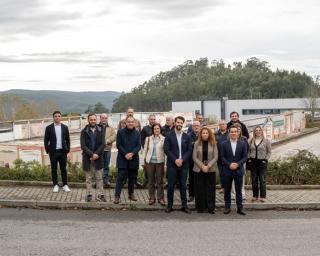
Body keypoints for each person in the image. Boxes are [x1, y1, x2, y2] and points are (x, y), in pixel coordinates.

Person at [164, 116, 192, 214]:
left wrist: (182, 160)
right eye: (178, 122)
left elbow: (189, 150)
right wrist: (175, 159)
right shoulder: (169, 135)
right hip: (172, 165)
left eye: (181, 123)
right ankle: (169, 206)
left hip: (183, 165)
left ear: (182, 124)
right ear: (175, 123)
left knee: (183, 186)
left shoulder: (187, 136)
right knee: (171, 186)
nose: (179, 124)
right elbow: (166, 149)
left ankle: (184, 206)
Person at [220, 125, 247, 215]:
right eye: (232, 131)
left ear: (238, 132)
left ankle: (240, 208)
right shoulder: (224, 144)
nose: (234, 133)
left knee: (238, 190)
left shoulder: (242, 143)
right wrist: (229, 164)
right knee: (227, 190)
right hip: (227, 170)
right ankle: (227, 207)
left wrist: (238, 164)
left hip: (238, 170)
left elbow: (245, 157)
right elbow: (222, 157)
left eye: (235, 131)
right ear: (229, 132)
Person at [114, 116, 141, 204]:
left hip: (133, 158)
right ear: (126, 122)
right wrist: (126, 154)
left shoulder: (137, 133)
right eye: (129, 122)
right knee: (120, 178)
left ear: (134, 123)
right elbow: (118, 145)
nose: (130, 123)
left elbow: (139, 146)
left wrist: (132, 153)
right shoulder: (120, 132)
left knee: (132, 178)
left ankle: (131, 194)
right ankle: (117, 196)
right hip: (123, 158)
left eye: (132, 122)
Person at [80, 113, 106, 202]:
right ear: (88, 120)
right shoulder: (84, 131)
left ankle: (100, 195)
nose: (93, 121)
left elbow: (103, 144)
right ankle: (89, 195)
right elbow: (83, 146)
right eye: (91, 120)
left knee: (99, 178)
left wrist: (96, 154)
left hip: (98, 158)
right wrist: (92, 154)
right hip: (87, 158)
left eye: (94, 119)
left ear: (96, 120)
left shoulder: (101, 129)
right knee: (88, 179)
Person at [192, 127, 218, 214]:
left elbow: (216, 157)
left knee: (210, 189)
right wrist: (202, 166)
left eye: (207, 133)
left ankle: (211, 208)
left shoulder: (213, 143)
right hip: (199, 169)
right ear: (201, 134)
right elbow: (194, 157)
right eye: (203, 133)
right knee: (200, 189)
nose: (205, 134)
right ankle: (200, 207)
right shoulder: (196, 143)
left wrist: (208, 166)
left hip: (210, 169)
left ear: (209, 134)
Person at [44, 110, 71, 193]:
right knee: (54, 169)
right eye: (55, 116)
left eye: (59, 116)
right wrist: (48, 150)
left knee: (63, 169)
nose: (57, 117)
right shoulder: (49, 128)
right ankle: (55, 185)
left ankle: (65, 185)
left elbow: (68, 139)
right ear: (53, 117)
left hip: (63, 152)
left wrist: (67, 149)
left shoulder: (65, 127)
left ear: (61, 117)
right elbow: (46, 140)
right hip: (53, 152)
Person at [142, 123, 166, 206]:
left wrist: (165, 164)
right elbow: (144, 151)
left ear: (160, 129)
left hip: (160, 162)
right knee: (151, 181)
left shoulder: (164, 139)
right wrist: (143, 162)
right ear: (153, 130)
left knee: (160, 181)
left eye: (158, 128)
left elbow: (166, 153)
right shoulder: (148, 139)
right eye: (155, 128)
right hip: (150, 163)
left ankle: (161, 198)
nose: (156, 130)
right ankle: (152, 198)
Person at [247, 126, 271, 203]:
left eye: (259, 130)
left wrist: (266, 160)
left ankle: (263, 196)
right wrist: (249, 159)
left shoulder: (266, 141)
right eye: (256, 130)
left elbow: (269, 152)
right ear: (254, 132)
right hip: (253, 162)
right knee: (254, 180)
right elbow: (248, 151)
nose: (257, 131)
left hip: (262, 162)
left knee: (262, 179)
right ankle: (255, 196)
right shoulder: (251, 140)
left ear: (261, 131)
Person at [232, 122, 249, 200]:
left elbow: (247, 150)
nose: (237, 131)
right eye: (236, 129)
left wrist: (242, 160)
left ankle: (242, 194)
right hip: (232, 162)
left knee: (241, 177)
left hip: (242, 161)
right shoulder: (229, 138)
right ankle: (233, 194)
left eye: (239, 129)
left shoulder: (244, 138)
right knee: (232, 178)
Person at [99, 113, 116, 187]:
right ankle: (98, 181)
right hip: (98, 150)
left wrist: (108, 141)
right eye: (103, 118)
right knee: (99, 166)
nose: (104, 119)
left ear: (107, 119)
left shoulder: (111, 128)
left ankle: (106, 180)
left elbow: (114, 136)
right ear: (100, 118)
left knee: (106, 166)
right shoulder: (97, 127)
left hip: (107, 150)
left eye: (105, 118)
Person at [140, 114, 157, 187]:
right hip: (148, 151)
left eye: (154, 119)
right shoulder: (145, 129)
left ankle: (155, 181)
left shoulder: (157, 128)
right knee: (147, 167)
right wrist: (145, 148)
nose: (152, 121)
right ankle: (147, 180)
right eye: (151, 119)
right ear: (148, 120)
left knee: (156, 166)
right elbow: (142, 139)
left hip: (157, 151)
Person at [187, 121, 201, 202]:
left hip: (201, 161)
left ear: (200, 126)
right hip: (192, 161)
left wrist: (194, 144)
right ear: (192, 127)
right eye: (194, 126)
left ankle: (199, 195)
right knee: (191, 179)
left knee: (200, 179)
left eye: (197, 126)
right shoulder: (188, 136)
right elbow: (188, 147)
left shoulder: (203, 134)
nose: (196, 127)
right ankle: (191, 195)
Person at [215, 120, 229, 194]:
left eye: (223, 124)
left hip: (228, 156)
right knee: (221, 172)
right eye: (220, 124)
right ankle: (223, 187)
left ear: (226, 125)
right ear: (219, 125)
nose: (222, 125)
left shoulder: (230, 133)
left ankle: (228, 187)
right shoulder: (215, 134)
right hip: (219, 156)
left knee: (227, 172)